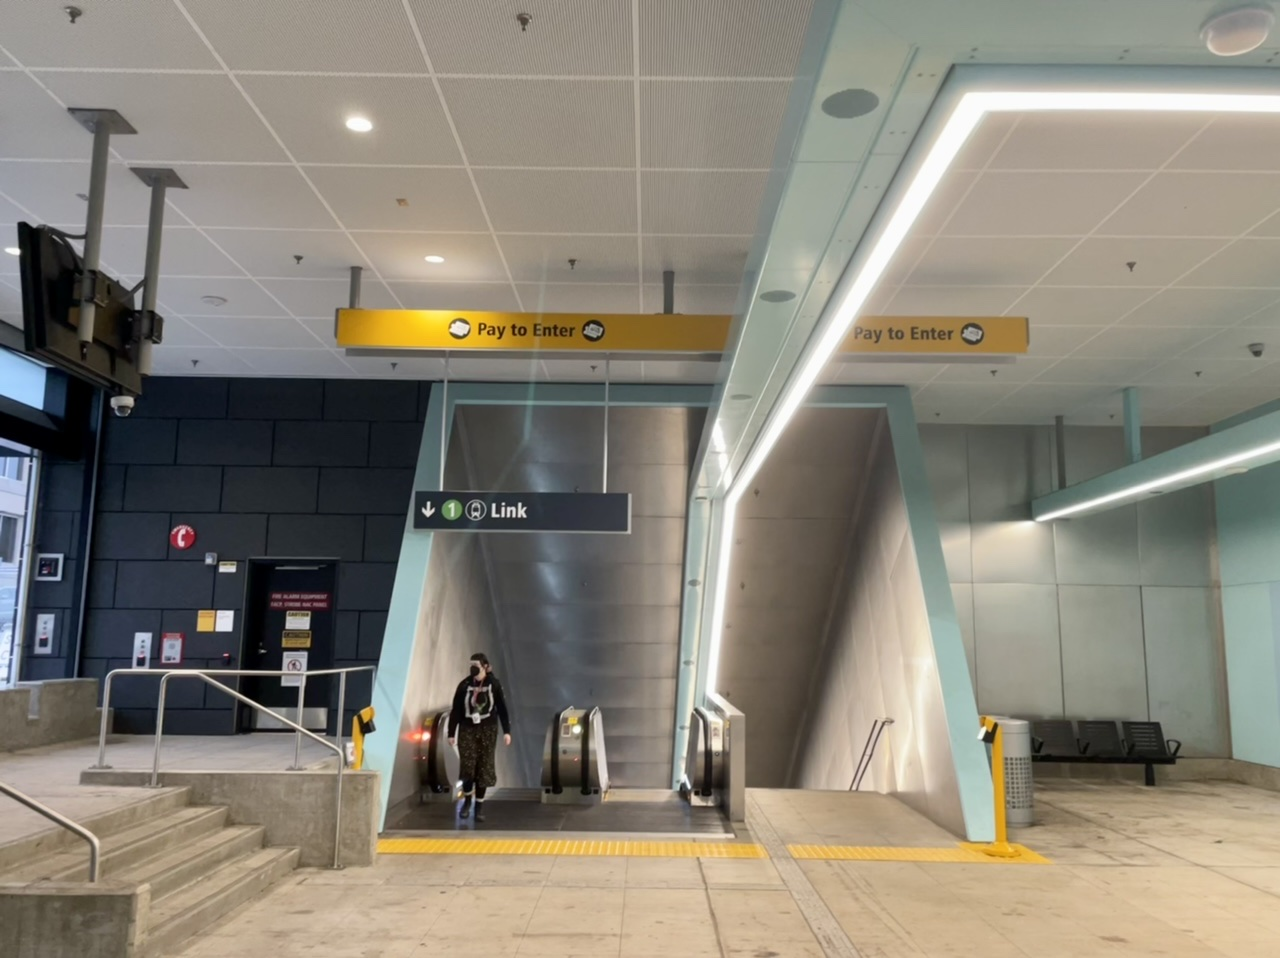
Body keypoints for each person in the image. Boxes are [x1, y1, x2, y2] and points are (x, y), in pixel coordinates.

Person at [447, 652, 511, 822]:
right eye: (471, 665)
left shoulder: (493, 685)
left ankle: (479, 806)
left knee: (484, 767)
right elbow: (456, 710)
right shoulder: (464, 685)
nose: (473, 668)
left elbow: (502, 708)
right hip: (467, 729)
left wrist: (507, 731)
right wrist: (451, 733)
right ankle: (467, 801)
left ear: (485, 666)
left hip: (488, 729)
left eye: (476, 665)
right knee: (468, 767)